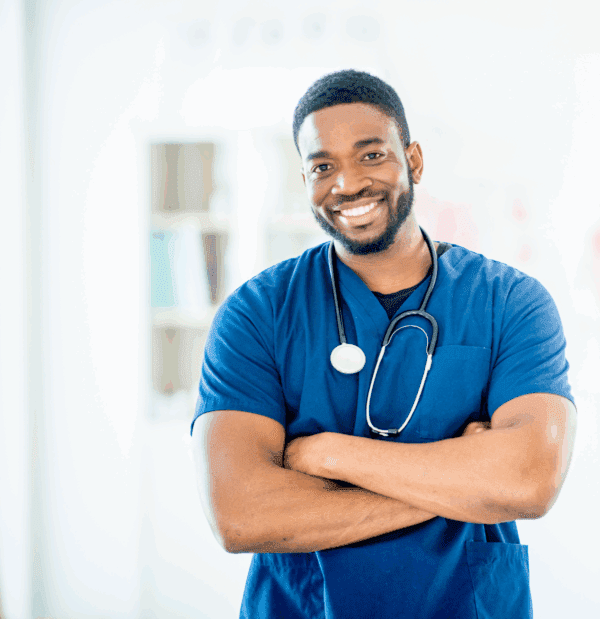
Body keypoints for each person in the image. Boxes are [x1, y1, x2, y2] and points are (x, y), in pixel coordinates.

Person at [190, 69, 577, 618]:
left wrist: (328, 454)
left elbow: (529, 480)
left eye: (371, 155)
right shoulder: (257, 313)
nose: (347, 184)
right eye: (323, 166)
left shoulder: (509, 302)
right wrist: (462, 485)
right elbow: (239, 514)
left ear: (413, 161)